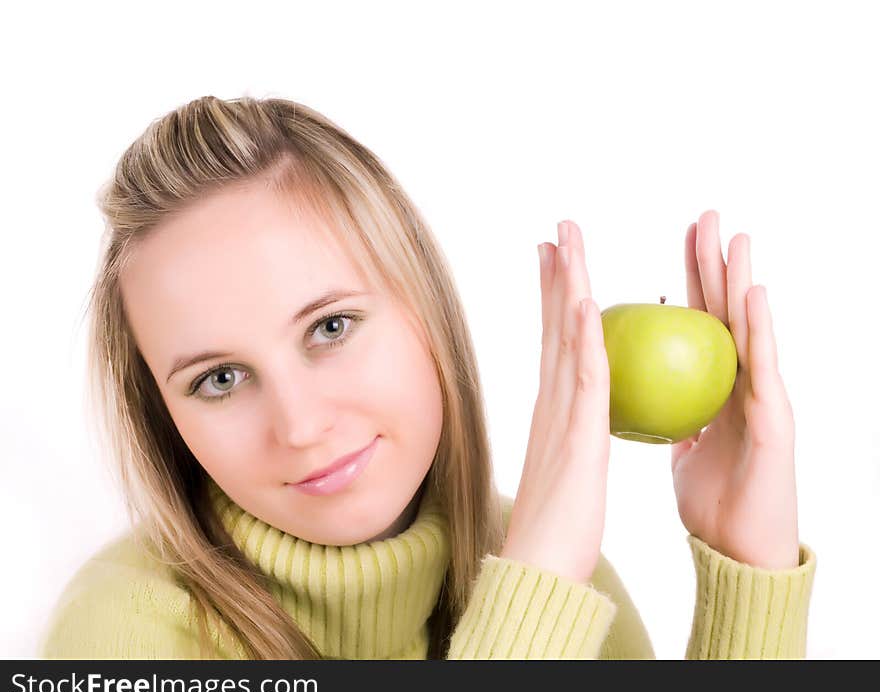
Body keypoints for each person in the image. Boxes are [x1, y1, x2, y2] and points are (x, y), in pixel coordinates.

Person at [39, 95, 816, 660]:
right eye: (219, 380)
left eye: (330, 328)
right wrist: (536, 588)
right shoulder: (117, 641)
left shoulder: (572, 583)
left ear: (425, 311)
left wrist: (752, 575)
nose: (301, 426)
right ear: (165, 417)